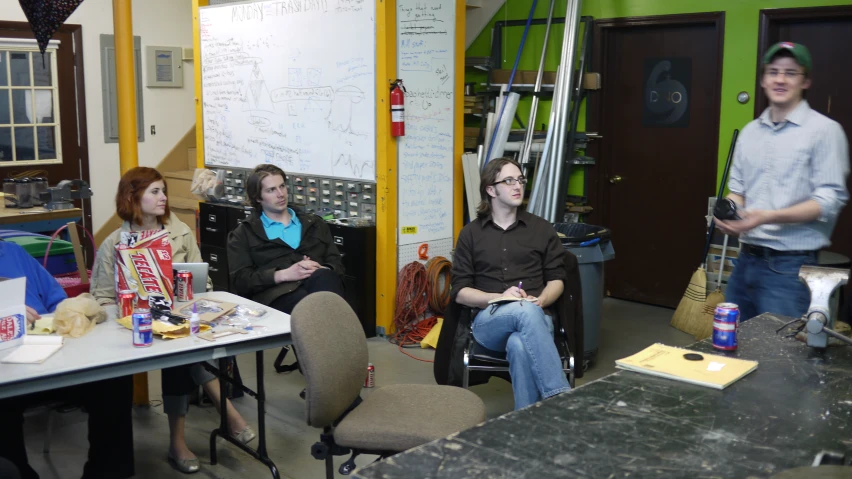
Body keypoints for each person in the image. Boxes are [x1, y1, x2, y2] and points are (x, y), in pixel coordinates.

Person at [90, 167, 255, 474]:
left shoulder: (179, 231)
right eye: (155, 191)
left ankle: (178, 442)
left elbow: (202, 282)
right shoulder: (114, 242)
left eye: (163, 190)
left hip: (177, 319)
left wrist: (192, 300)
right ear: (133, 196)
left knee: (182, 351)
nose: (164, 197)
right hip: (133, 326)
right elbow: (99, 297)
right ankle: (226, 412)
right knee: (184, 349)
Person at [715, 42, 850, 321]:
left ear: (806, 81)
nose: (780, 79)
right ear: (763, 79)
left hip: (790, 267)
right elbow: (738, 191)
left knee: (780, 358)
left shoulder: (824, 131)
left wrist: (766, 217)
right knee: (734, 348)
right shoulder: (751, 132)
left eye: (790, 73)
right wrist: (728, 211)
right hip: (744, 262)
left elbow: (829, 200)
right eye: (773, 72)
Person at [0, 240, 135, 479]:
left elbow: (58, 301)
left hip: (52, 355)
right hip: (7, 369)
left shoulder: (11, 251)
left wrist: (73, 314)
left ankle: (107, 472)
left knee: (113, 378)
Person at [450, 157, 571, 410]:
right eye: (508, 181)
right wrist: (500, 297)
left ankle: (525, 420)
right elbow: (460, 292)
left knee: (519, 343)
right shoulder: (470, 234)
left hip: (538, 315)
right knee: (522, 310)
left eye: (520, 179)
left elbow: (556, 280)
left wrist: (541, 300)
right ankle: (561, 398)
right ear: (491, 190)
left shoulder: (541, 229)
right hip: (489, 321)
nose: (518, 186)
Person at [227, 164, 344, 314]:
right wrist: (283, 275)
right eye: (271, 190)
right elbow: (241, 281)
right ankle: (331, 334)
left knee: (325, 277)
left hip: (319, 283)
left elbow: (337, 265)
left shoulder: (314, 224)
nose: (280, 194)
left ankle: (328, 333)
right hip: (275, 295)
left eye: (282, 186)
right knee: (307, 301)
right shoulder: (243, 234)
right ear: (257, 197)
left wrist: (321, 268)